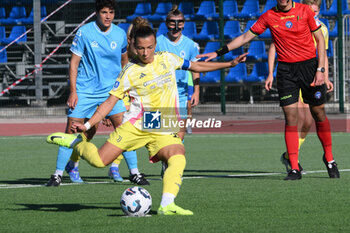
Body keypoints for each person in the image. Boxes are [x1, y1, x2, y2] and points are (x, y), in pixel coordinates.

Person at [47, 25, 247, 215]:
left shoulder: (167, 59)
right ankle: (75, 143)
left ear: (155, 45)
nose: (145, 53)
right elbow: (109, 103)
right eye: (141, 48)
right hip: (136, 125)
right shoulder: (130, 71)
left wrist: (229, 64)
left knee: (178, 156)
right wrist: (88, 125)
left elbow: (195, 66)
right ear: (133, 45)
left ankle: (167, 205)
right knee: (99, 161)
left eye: (150, 47)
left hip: (163, 122)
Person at [197, 0, 340, 180]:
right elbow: (244, 37)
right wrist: (218, 53)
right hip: (286, 71)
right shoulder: (269, 16)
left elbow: (320, 40)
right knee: (291, 117)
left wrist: (321, 71)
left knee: (318, 113)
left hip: (310, 68)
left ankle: (329, 159)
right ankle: (294, 168)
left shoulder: (304, 11)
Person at [46, 0, 149, 186]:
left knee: (125, 131)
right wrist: (73, 92)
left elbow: (124, 64)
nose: (108, 16)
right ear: (96, 13)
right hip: (85, 92)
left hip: (111, 93)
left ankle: (135, 173)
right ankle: (57, 175)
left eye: (111, 12)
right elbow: (74, 63)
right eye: (104, 12)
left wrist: (125, 92)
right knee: (71, 132)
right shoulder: (85, 32)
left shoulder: (118, 34)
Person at [265, 0, 334, 174]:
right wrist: (270, 73)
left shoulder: (321, 29)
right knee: (299, 119)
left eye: (316, 11)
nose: (313, 13)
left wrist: (324, 76)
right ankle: (292, 160)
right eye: (311, 10)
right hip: (291, 74)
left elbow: (322, 52)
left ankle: (295, 156)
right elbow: (274, 46)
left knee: (312, 119)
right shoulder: (295, 20)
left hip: (311, 73)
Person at [155, 5, 200, 175]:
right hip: (160, 94)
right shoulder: (158, 42)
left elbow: (195, 69)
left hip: (180, 94)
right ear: (167, 23)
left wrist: (196, 91)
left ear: (184, 24)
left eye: (179, 22)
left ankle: (170, 163)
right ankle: (165, 158)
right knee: (162, 132)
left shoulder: (190, 45)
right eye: (172, 22)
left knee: (179, 133)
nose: (176, 26)